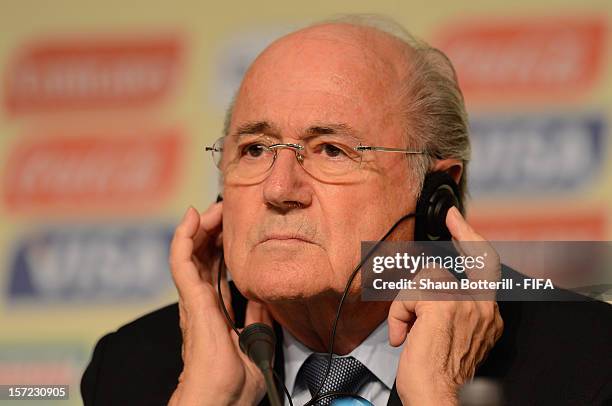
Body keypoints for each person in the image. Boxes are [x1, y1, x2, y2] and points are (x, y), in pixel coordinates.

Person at [81, 15, 612, 405]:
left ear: (434, 198)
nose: (278, 188)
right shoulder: (136, 369)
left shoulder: (586, 360)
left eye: (331, 150)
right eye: (255, 149)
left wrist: (434, 396)